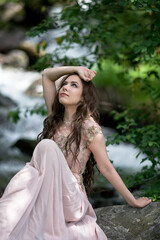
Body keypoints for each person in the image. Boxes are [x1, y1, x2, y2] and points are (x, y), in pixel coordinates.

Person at [0, 66, 152, 240]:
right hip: (42, 186)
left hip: (68, 197)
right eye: (64, 84)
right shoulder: (55, 118)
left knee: (47, 146)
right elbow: (47, 75)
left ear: (83, 97)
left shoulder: (91, 129)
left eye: (74, 85)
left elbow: (106, 168)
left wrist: (132, 200)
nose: (65, 87)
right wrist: (76, 69)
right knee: (18, 193)